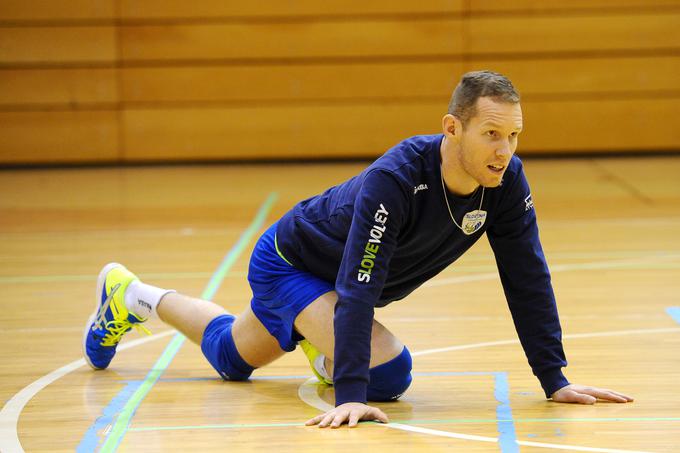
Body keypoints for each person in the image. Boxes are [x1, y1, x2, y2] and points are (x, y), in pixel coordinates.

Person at [83, 70, 633, 429]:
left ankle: (131, 295)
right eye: (491, 134)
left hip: (326, 282)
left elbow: (527, 275)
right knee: (389, 375)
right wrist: (348, 389)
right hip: (289, 263)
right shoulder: (396, 180)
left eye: (514, 136)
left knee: (230, 360)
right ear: (452, 128)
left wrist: (553, 377)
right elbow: (359, 283)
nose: (504, 150)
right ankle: (322, 347)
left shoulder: (505, 182)